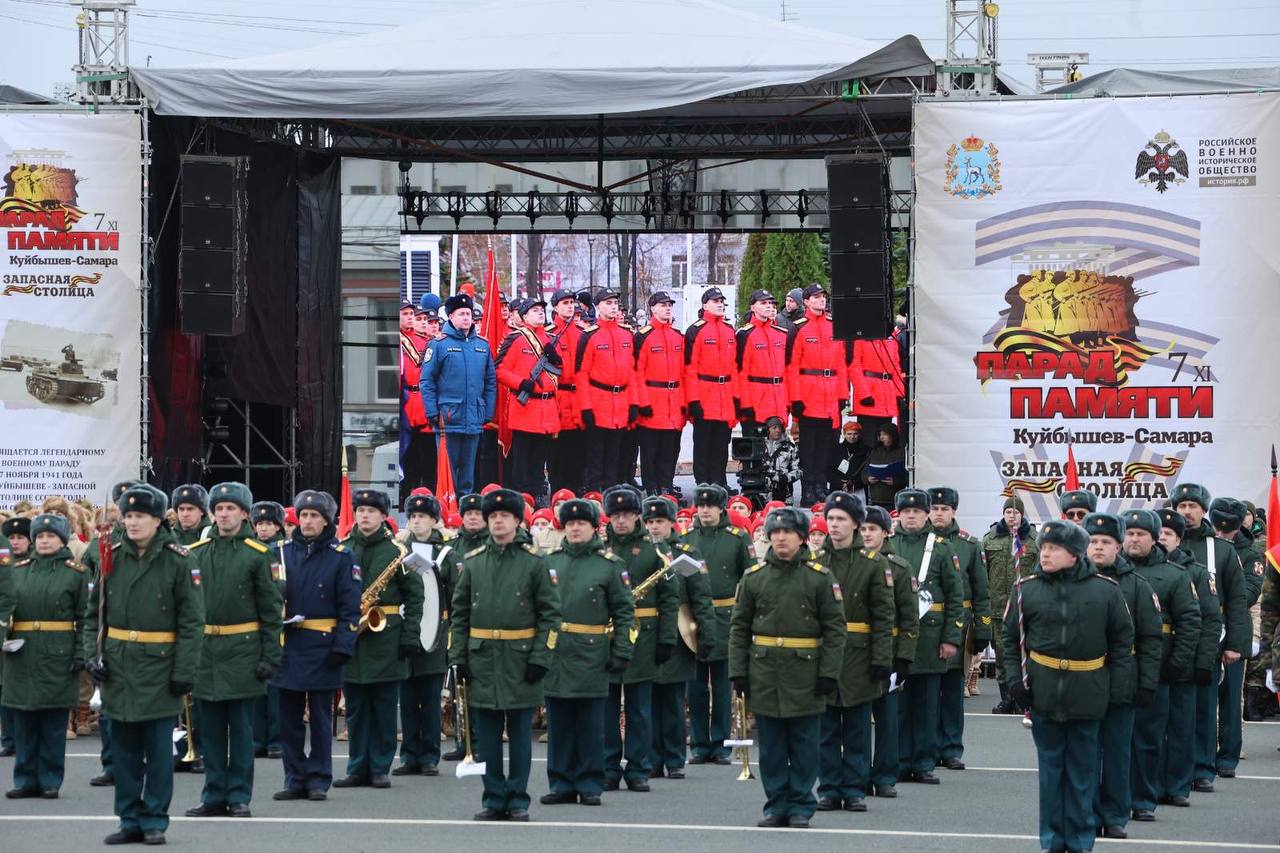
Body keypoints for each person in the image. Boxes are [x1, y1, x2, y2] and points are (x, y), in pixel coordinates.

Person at [84, 485, 205, 846]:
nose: (132, 522)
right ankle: (128, 818)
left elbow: (191, 622)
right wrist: (94, 655)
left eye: (140, 516)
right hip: (119, 666)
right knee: (123, 751)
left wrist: (185, 670)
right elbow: (94, 616)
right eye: (128, 515)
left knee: (156, 750)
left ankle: (154, 818)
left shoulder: (179, 559)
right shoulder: (112, 556)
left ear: (157, 520)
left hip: (159, 668)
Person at [1004, 519, 1135, 853]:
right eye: (1044, 547)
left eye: (1053, 549)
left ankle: (1079, 841)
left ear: (1075, 554)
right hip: (1044, 692)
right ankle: (1052, 840)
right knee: (1051, 774)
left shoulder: (1105, 590)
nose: (1044, 554)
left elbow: (1122, 644)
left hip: (1088, 692)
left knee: (1081, 774)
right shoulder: (1026, 589)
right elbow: (1010, 640)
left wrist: (1118, 690)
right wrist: (1014, 681)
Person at [729, 506, 845, 828]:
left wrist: (829, 673)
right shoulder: (754, 577)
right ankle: (776, 804)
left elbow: (835, 630)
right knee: (772, 747)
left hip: (806, 672)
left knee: (806, 745)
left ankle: (801, 805)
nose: (780, 538)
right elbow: (739, 628)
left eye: (787, 533)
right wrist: (738, 671)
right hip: (764, 671)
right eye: (775, 533)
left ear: (802, 538)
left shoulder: (820, 578)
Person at [449, 488, 560, 821]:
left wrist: (542, 657)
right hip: (482, 658)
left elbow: (551, 615)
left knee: (522, 736)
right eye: (493, 516)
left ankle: (518, 799)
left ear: (516, 521)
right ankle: (493, 797)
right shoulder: (473, 563)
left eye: (504, 516)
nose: (498, 521)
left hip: (521, 658)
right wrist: (458, 656)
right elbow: (459, 614)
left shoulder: (535, 564)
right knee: (486, 737)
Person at [184, 483, 283, 819]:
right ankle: (213, 794)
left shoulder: (258, 554)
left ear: (244, 514)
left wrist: (271, 656)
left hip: (243, 650)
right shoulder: (196, 551)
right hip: (205, 650)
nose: (224, 514)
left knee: (241, 730)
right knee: (209, 730)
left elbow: (271, 610)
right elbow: (185, 609)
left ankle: (239, 795)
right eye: (219, 508)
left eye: (231, 508)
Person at [539, 498, 633, 806]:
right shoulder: (549, 562)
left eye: (581, 523)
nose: (575, 528)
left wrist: (622, 650)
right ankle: (561, 782)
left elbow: (624, 612)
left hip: (593, 653)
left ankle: (591, 783)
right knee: (559, 723)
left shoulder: (609, 566)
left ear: (595, 528)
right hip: (556, 652)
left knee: (592, 724)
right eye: (570, 523)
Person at [269, 490, 361, 803]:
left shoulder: (341, 556)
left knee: (321, 720)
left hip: (324, 646)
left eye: (314, 516)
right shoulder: (279, 552)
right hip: (289, 644)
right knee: (289, 720)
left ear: (326, 521)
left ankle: (319, 778)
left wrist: (343, 645)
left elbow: (351, 608)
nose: (307, 521)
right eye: (303, 515)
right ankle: (294, 778)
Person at [334, 490, 424, 790]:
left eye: (371, 511)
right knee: (356, 708)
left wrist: (410, 636)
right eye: (360, 510)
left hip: (387, 637)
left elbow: (416, 596)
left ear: (383, 516)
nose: (364, 515)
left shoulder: (398, 551)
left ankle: (380, 767)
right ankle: (357, 765)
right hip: (351, 636)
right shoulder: (342, 548)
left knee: (385, 707)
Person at [1082, 512, 1161, 840]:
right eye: (1092, 542)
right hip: (1082, 681)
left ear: (1119, 547)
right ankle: (1084, 812)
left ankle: (1114, 814)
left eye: (1106, 542)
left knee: (1116, 752)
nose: (1098, 548)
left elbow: (1151, 639)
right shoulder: (1072, 582)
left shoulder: (1137, 585)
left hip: (1121, 678)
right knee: (1084, 753)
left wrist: (1146, 683)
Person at [814, 492, 894, 812]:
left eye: (840, 519)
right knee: (827, 727)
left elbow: (884, 616)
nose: (833, 525)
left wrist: (881, 660)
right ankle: (830, 788)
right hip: (824, 654)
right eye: (830, 518)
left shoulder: (873, 564)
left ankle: (855, 788)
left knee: (858, 726)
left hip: (860, 653)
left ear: (856, 524)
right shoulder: (816, 562)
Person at [1121, 509, 1200, 824]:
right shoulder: (1111, 573)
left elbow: (1190, 623)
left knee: (1148, 738)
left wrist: (1176, 665)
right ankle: (1114, 796)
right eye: (1129, 533)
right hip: (1115, 669)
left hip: (1157, 669)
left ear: (1154, 538)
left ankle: (1143, 799)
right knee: (1114, 738)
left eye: (1141, 534)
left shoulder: (1174, 575)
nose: (1134, 539)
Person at [2, 513, 88, 800]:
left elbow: (85, 618)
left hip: (58, 652)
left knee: (52, 722)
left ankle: (50, 779)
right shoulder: (18, 570)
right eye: (39, 536)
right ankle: (25, 779)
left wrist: (81, 653)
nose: (44, 541)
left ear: (62, 539)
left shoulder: (75, 572)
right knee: (24, 720)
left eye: (50, 536)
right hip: (22, 653)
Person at [1169, 483, 1248, 793]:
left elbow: (1239, 601)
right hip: (1171, 642)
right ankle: (1176, 767)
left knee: (1204, 706)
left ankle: (1203, 767)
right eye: (1181, 506)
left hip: (1208, 641)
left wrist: (1235, 645)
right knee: (1172, 710)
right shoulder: (1164, 545)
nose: (1186, 512)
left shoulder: (1222, 550)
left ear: (1204, 511)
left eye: (1192, 506)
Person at [602, 486, 679, 792]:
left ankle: (638, 768)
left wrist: (667, 639)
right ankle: (609, 766)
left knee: (639, 709)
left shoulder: (655, 549)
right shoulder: (600, 547)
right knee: (607, 708)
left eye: (627, 514)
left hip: (645, 636)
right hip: (607, 636)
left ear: (638, 516)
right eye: (616, 515)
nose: (621, 520)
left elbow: (670, 599)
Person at [885, 489, 963, 785]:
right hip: (896, 636)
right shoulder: (890, 545)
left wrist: (951, 638)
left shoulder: (942, 548)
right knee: (899, 705)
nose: (912, 516)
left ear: (927, 514)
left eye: (917, 512)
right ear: (899, 514)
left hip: (930, 637)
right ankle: (901, 761)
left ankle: (924, 761)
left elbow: (956, 596)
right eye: (906, 512)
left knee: (928, 704)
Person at [681, 483, 752, 765]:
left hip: (726, 618)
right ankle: (699, 743)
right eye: (700, 506)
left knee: (722, 686)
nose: (705, 511)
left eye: (710, 506)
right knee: (696, 686)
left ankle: (721, 743)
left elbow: (747, 579)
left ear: (721, 508)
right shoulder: (685, 539)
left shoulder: (736, 538)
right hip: (693, 618)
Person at [645, 496, 715, 779]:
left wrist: (707, 635)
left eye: (659, 521)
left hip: (677, 633)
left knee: (673, 702)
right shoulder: (640, 551)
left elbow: (701, 595)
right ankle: (650, 759)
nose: (653, 527)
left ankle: (674, 759)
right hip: (646, 635)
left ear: (671, 523)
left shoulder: (686, 553)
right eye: (649, 522)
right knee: (646, 703)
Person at [1156, 507, 1218, 809]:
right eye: (1158, 533)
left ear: (1179, 540)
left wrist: (1204, 661)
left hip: (1185, 660)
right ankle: (1153, 784)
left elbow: (1209, 620)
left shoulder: (1196, 573)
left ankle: (1178, 785)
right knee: (1152, 729)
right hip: (1153, 663)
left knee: (1181, 727)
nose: (1161, 539)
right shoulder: (1141, 569)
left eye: (1167, 534)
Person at [928, 487, 991, 770]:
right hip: (925, 625)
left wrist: (983, 627)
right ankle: (926, 747)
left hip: (959, 624)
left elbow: (982, 590)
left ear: (954, 511)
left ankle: (951, 748)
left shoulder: (969, 545)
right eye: (935, 508)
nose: (939, 513)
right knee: (926, 692)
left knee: (953, 690)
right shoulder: (922, 541)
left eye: (944, 509)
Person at [862, 506, 917, 799]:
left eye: (873, 529)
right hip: (856, 652)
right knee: (856, 720)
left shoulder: (899, 567)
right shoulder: (849, 564)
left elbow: (909, 618)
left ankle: (884, 775)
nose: (867, 534)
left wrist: (904, 658)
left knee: (887, 719)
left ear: (886, 532)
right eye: (864, 529)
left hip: (890, 652)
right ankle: (858, 774)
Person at [421, 293, 498, 495]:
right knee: (448, 472)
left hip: (474, 417)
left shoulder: (482, 345)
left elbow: (490, 382)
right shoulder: (439, 344)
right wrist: (432, 413)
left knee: (468, 472)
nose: (466, 317)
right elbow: (427, 381)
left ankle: (465, 511)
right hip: (447, 418)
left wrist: (487, 412)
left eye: (469, 313)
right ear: (450, 317)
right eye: (461, 313)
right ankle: (448, 513)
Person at [396, 493, 448, 776]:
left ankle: (429, 755)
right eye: (413, 517)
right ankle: (408, 755)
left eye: (422, 517)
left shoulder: (445, 552)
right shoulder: (399, 549)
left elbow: (452, 593)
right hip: (406, 630)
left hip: (433, 633)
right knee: (407, 698)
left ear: (433, 520)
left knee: (429, 699)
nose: (416, 521)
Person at [1207, 497, 1258, 777]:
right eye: (1218, 527)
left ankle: (1227, 756)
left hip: (1234, 627)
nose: (1221, 533)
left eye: (1227, 529)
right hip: (1207, 629)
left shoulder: (1249, 554)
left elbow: (1249, 592)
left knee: (1230, 698)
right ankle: (1203, 751)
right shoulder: (1203, 548)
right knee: (1203, 697)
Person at [785, 283, 848, 505]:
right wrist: (796, 401)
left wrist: (842, 395)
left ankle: (821, 487)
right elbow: (791, 367)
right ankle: (808, 489)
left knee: (825, 445)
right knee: (808, 447)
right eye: (817, 297)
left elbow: (841, 363)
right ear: (807, 301)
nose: (822, 300)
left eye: (823, 297)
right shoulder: (798, 328)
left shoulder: (834, 326)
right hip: (809, 395)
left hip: (830, 396)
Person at [495, 298, 561, 504]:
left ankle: (538, 493)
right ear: (524, 317)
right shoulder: (516, 339)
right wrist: (520, 383)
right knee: (522, 458)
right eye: (534, 310)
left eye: (542, 310)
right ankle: (523, 498)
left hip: (546, 407)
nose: (540, 313)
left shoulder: (550, 339)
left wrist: (557, 359)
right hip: (525, 406)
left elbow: (560, 373)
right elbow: (499, 370)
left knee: (540, 458)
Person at [574, 290, 638, 491]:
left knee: (615, 453)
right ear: (598, 306)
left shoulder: (626, 334)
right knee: (595, 454)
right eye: (608, 303)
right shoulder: (589, 336)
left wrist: (634, 403)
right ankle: (594, 493)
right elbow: (581, 374)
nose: (613, 307)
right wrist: (585, 407)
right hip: (597, 402)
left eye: (615, 303)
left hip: (620, 403)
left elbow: (632, 372)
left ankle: (611, 492)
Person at [983, 495, 1040, 714]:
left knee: (1028, 652)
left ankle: (1024, 698)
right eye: (1008, 512)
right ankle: (1007, 698)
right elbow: (982, 573)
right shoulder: (989, 539)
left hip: (1026, 608)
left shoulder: (1033, 540)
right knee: (1002, 655)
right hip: (998, 608)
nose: (1011, 516)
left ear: (1022, 514)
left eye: (1015, 513)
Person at [633, 291, 686, 497]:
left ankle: (667, 484)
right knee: (650, 449)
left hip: (674, 400)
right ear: (653, 309)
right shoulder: (643, 336)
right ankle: (652, 486)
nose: (668, 308)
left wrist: (684, 402)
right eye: (663, 305)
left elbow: (684, 372)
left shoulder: (677, 337)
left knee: (671, 448)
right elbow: (637, 372)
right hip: (653, 400)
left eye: (670, 305)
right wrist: (642, 402)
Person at [683, 287, 737, 488]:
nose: (720, 304)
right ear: (705, 305)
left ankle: (720, 480)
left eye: (722, 301)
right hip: (705, 394)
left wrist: (736, 398)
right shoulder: (695, 330)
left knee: (722, 443)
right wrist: (693, 400)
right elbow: (689, 369)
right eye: (715, 301)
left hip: (725, 394)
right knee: (703, 443)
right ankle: (703, 481)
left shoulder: (729, 330)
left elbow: (735, 367)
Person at [249, 501, 286, 760]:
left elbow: (285, 585)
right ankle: (257, 738)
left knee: (275, 686)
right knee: (255, 685)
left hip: (278, 621)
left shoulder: (283, 551)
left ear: (278, 526)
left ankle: (276, 739)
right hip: (252, 623)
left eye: (268, 524)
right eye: (259, 524)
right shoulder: (250, 550)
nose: (263, 529)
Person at [547, 289, 589, 495]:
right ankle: (558, 492)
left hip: (578, 398)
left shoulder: (582, 333)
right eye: (564, 302)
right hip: (558, 397)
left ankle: (577, 491)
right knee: (557, 453)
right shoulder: (549, 334)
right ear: (555, 307)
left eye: (571, 302)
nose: (570, 306)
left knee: (578, 450)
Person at [735, 289, 789, 435]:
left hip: (778, 399)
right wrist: (744, 404)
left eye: (770, 303)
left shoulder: (781, 334)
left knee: (779, 451)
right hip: (755, 401)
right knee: (755, 450)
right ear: (752, 307)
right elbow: (740, 373)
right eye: (763, 303)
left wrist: (788, 401)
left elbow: (787, 370)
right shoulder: (744, 334)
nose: (768, 306)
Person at [0, 516, 27, 758]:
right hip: (6, 631)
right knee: (5, 687)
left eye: (21, 537)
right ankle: (8, 738)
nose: (15, 542)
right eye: (12, 538)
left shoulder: (32, 566)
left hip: (26, 633)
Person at [848, 337, 904, 446]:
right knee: (868, 443)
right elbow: (855, 368)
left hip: (887, 397)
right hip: (869, 399)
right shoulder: (861, 340)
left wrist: (899, 394)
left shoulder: (892, 340)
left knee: (886, 444)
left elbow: (896, 368)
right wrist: (864, 394)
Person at [860, 425, 906, 511]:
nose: (882, 437)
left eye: (885, 434)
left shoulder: (902, 453)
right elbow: (864, 473)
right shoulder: (874, 452)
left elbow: (909, 477)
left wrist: (895, 481)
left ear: (893, 435)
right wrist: (868, 479)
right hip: (874, 501)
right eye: (880, 435)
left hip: (894, 501)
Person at [830, 422, 870, 496]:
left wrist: (854, 484)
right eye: (849, 434)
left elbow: (867, 472)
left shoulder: (866, 451)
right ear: (844, 434)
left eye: (855, 434)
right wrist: (840, 484)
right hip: (837, 489)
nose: (852, 436)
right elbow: (829, 470)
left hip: (858, 490)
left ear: (859, 434)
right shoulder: (836, 449)